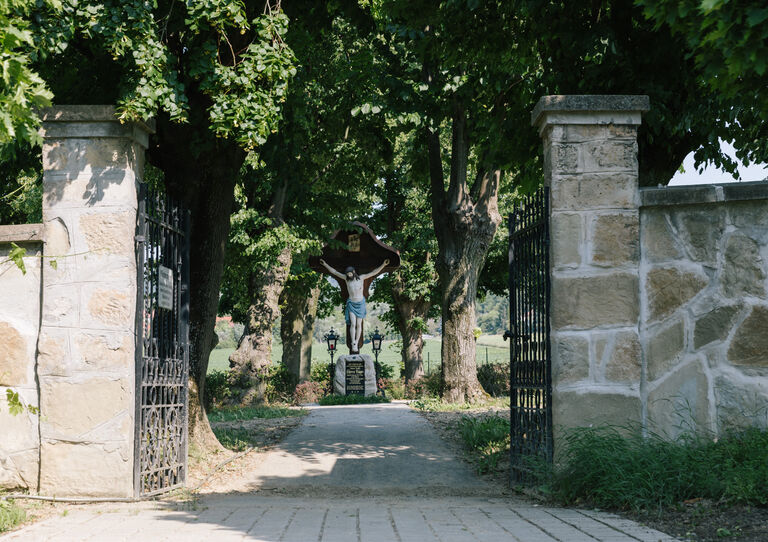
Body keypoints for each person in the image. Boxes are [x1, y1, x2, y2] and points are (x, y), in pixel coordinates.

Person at [319, 258, 390, 353]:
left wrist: (383, 265)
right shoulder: (346, 279)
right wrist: (325, 264)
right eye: (347, 274)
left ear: (353, 272)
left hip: (360, 303)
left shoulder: (362, 278)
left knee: (358, 324)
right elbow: (335, 272)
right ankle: (353, 342)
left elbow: (373, 273)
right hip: (352, 303)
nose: (349, 275)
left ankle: (356, 341)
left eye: (350, 274)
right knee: (353, 324)